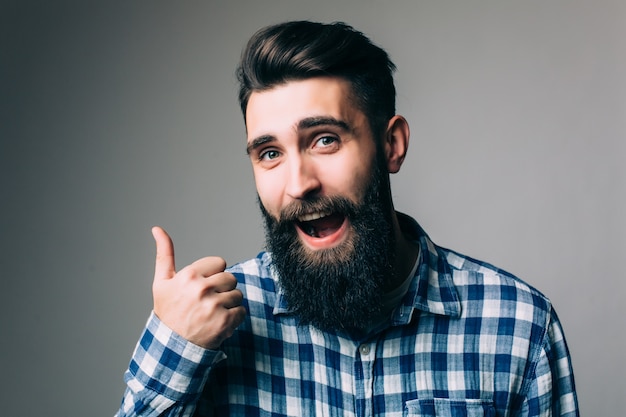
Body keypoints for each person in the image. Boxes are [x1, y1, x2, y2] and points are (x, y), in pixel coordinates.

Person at [116, 20, 578, 416]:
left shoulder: (519, 327)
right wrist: (177, 350)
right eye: (270, 153)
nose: (299, 183)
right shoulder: (209, 330)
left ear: (391, 144)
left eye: (324, 140)